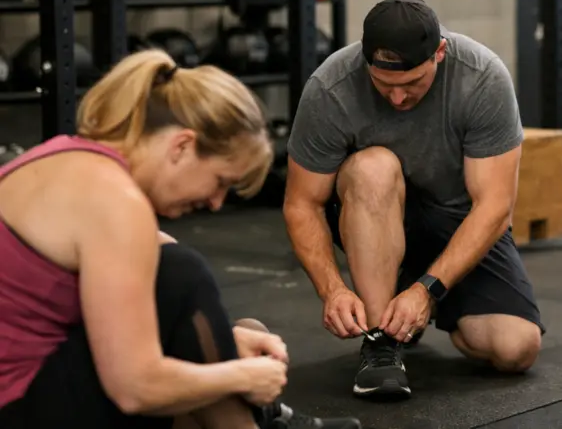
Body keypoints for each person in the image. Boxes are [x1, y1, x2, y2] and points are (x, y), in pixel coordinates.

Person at [0, 49, 361, 429]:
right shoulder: (116, 202)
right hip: (19, 409)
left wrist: (225, 344)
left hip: (34, 388)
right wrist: (245, 376)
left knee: (235, 326)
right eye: (221, 181)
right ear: (182, 147)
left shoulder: (68, 157)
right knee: (182, 273)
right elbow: (134, 388)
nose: (215, 202)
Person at [283, 0, 544, 401]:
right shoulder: (330, 87)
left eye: (411, 84)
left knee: (515, 349)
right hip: (375, 212)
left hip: (456, 221)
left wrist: (427, 291)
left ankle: (414, 295)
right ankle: (381, 342)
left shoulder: (481, 76)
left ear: (439, 52)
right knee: (374, 167)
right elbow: (302, 203)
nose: (398, 99)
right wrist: (332, 289)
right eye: (384, 85)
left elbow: (494, 207)